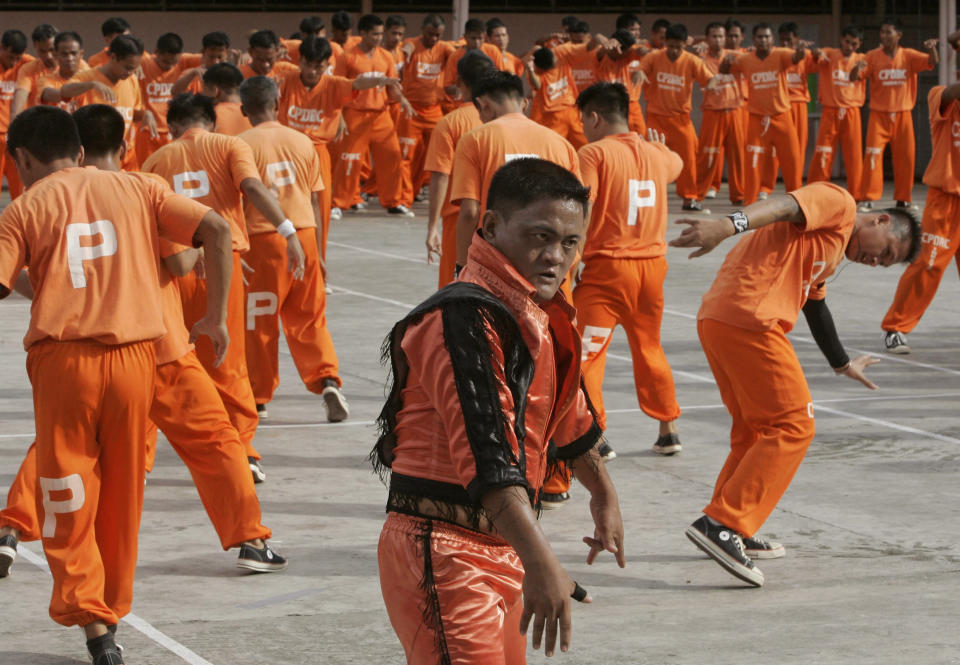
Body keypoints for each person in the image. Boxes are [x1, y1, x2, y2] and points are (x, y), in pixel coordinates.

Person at [0, 103, 285, 590]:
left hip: (84, 351)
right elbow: (182, 260)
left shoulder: (37, 203)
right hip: (158, 345)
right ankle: (249, 539)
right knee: (214, 441)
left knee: (59, 448)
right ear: (115, 145)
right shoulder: (142, 190)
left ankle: (12, 527)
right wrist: (213, 306)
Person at [374, 157, 624, 664]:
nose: (556, 256)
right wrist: (542, 560)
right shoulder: (462, 316)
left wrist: (603, 493)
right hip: (444, 550)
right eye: (540, 236)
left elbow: (567, 412)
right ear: (490, 226)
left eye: (570, 243)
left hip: (499, 540)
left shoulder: (536, 311)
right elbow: (486, 452)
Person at [670, 182, 921, 586]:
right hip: (751, 317)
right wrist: (727, 225)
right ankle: (721, 523)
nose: (876, 261)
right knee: (794, 425)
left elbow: (814, 302)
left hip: (722, 317)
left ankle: (733, 522)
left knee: (754, 432)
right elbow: (785, 205)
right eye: (885, 252)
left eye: (884, 265)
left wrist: (840, 362)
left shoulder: (831, 248)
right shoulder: (839, 205)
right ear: (881, 219)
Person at [142, 92, 307, 483]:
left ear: (172, 127)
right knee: (228, 361)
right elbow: (251, 188)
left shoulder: (155, 159)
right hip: (221, 263)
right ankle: (243, 452)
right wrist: (288, 231)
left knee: (163, 363)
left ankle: (140, 458)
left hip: (174, 267)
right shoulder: (231, 145)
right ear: (211, 123)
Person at [575, 81, 684, 456]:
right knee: (649, 347)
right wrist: (662, 148)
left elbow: (582, 208)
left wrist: (571, 259)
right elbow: (678, 165)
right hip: (652, 268)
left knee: (588, 352)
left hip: (609, 270)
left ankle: (594, 435)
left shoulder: (592, 154)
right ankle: (668, 428)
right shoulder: (656, 154)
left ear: (595, 117)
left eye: (584, 121)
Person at [238, 76, 349, 422]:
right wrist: (318, 251)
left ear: (244, 110)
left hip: (262, 238)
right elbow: (316, 203)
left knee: (259, 320)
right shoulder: (303, 141)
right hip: (303, 234)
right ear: (278, 103)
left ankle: (257, 396)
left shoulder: (239, 145)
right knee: (309, 314)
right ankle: (327, 378)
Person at [278, 35, 396, 259]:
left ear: (326, 66)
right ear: (300, 61)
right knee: (284, 208)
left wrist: (380, 80)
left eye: (318, 66)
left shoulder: (332, 84)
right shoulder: (286, 79)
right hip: (287, 151)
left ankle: (318, 265)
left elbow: (357, 84)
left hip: (317, 152)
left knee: (320, 210)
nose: (312, 71)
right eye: (308, 65)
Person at [450, 71, 579, 272]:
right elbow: (580, 211)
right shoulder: (562, 144)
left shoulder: (475, 140)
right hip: (550, 263)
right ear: (525, 104)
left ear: (484, 104)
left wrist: (461, 265)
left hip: (498, 264)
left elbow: (470, 212)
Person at [880, 77, 960, 354]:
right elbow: (951, 93)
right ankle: (896, 327)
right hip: (945, 200)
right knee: (929, 263)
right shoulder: (942, 97)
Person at [331, 14, 414, 217]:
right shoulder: (347, 56)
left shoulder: (386, 56)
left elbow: (392, 87)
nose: (378, 37)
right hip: (355, 114)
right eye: (374, 34)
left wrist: (402, 99)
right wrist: (339, 116)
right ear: (363, 33)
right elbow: (337, 87)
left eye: (379, 33)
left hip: (381, 114)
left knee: (392, 156)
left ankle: (393, 201)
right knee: (349, 159)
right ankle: (339, 202)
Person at [424, 50, 495, 287]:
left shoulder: (450, 123)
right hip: (500, 220)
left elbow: (440, 176)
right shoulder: (503, 121)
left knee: (455, 289)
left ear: (460, 83)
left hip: (459, 218)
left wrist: (432, 226)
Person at [853, 17, 938, 210]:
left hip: (903, 115)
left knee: (905, 158)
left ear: (898, 35)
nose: (883, 36)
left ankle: (904, 198)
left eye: (887, 32)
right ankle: (867, 197)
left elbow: (932, 61)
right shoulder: (872, 56)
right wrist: (855, 69)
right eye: (881, 32)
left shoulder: (908, 55)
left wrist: (932, 47)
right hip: (878, 115)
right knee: (872, 156)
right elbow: (856, 77)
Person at [719, 23, 807, 204]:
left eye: (767, 37)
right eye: (760, 37)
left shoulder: (781, 54)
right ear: (754, 39)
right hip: (757, 119)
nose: (763, 40)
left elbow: (796, 58)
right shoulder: (745, 59)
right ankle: (750, 202)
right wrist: (726, 62)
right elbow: (724, 71)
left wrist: (800, 51)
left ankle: (797, 201)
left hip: (782, 116)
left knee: (792, 161)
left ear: (772, 40)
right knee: (753, 163)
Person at [51, 35, 155, 171]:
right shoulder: (87, 77)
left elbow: (131, 114)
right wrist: (92, 85)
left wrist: (146, 114)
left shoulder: (131, 80)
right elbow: (64, 91)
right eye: (127, 67)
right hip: (95, 160)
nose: (130, 73)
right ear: (113, 57)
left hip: (127, 158)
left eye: (134, 69)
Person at [639, 23, 714, 211]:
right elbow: (641, 69)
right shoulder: (654, 57)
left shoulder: (692, 61)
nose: (674, 50)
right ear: (665, 43)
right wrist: (639, 74)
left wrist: (715, 83)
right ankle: (651, 197)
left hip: (681, 119)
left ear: (684, 44)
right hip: (656, 117)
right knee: (653, 159)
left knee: (689, 158)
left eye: (678, 47)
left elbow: (709, 78)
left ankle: (689, 198)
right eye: (671, 46)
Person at [396, 15, 455, 210]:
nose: (434, 39)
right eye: (430, 34)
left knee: (435, 156)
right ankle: (404, 199)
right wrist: (406, 54)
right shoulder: (411, 44)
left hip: (433, 110)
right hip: (410, 110)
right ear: (422, 29)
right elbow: (404, 50)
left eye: (438, 35)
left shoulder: (444, 48)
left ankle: (431, 194)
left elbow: (458, 54)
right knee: (406, 156)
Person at [807, 25, 867, 194]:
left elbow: (856, 77)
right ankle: (815, 190)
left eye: (854, 44)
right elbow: (816, 58)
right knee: (823, 151)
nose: (850, 47)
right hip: (830, 110)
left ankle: (857, 194)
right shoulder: (830, 54)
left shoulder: (862, 59)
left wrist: (856, 67)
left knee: (854, 155)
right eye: (847, 42)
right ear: (841, 39)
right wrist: (816, 52)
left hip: (851, 111)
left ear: (859, 44)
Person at [696, 21, 745, 205]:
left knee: (738, 156)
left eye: (721, 36)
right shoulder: (701, 59)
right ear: (707, 39)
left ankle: (739, 195)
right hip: (712, 112)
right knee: (707, 155)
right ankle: (698, 194)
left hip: (735, 110)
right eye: (714, 36)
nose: (718, 40)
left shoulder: (735, 57)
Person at [136, 32, 203, 163]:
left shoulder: (185, 61)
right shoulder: (143, 63)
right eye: (165, 62)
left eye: (174, 63)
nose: (170, 66)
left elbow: (210, 57)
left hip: (175, 131)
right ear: (156, 52)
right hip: (148, 132)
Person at [525, 46, 587, 148]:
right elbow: (537, 85)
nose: (556, 61)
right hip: (552, 117)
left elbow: (579, 50)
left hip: (571, 111)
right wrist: (531, 70)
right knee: (552, 148)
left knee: (585, 145)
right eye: (553, 63)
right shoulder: (536, 70)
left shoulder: (562, 58)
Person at [442, 19, 505, 105]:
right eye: (473, 38)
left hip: (487, 106)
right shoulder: (455, 56)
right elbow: (447, 88)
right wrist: (461, 88)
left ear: (485, 37)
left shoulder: (493, 51)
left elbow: (503, 79)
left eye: (480, 38)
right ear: (465, 37)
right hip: (462, 106)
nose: (476, 42)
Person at [595, 30, 646, 135]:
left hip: (632, 107)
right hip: (609, 106)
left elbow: (647, 51)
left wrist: (642, 68)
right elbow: (597, 38)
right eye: (627, 51)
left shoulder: (631, 54)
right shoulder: (601, 56)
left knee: (640, 139)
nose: (629, 54)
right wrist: (606, 42)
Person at [0, 29, 31, 198]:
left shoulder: (27, 65)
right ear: (1, 48)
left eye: (17, 58)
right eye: (10, 56)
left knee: (20, 188)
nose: (14, 62)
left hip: (17, 136)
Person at [10, 24, 58, 119]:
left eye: (52, 50)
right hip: (39, 128)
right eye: (42, 51)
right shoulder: (28, 69)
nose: (48, 56)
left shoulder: (78, 66)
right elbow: (19, 100)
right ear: (35, 47)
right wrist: (13, 124)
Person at [170, 31, 232, 96]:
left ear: (226, 54)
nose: (216, 61)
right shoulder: (191, 75)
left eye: (220, 57)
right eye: (211, 57)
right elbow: (175, 93)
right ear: (203, 52)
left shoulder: (232, 75)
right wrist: (192, 74)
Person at [36, 31, 84, 114]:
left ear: (81, 54)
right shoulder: (45, 80)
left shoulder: (91, 78)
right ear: (56, 54)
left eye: (73, 53)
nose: (69, 58)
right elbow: (48, 94)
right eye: (64, 54)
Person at [202, 63, 253, 135]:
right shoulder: (256, 113)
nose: (202, 94)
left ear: (215, 91)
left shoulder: (208, 117)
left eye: (204, 90)